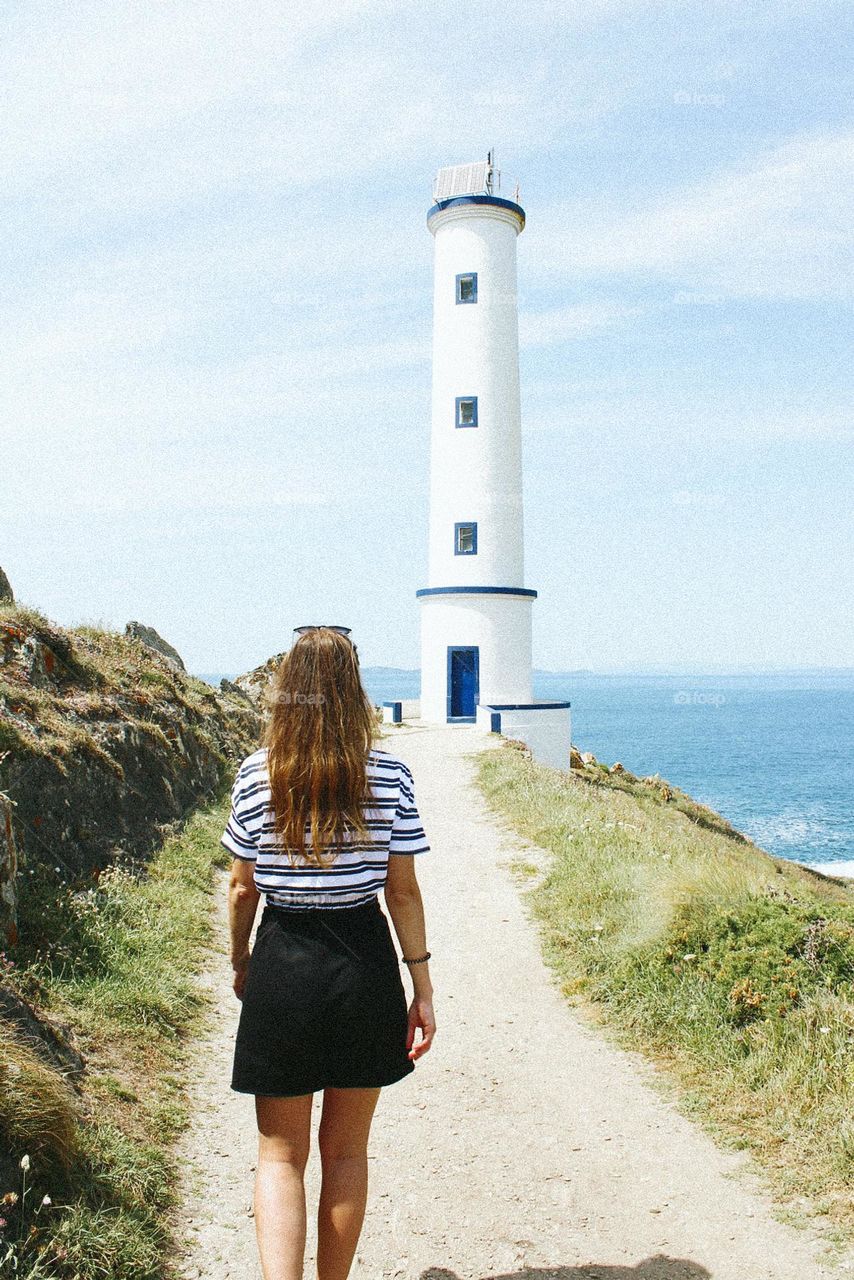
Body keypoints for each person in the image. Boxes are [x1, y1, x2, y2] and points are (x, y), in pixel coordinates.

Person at [223, 625, 435, 1280]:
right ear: (353, 693)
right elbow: (402, 894)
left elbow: (241, 889)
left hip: (284, 958)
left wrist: (241, 963)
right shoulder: (391, 775)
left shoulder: (259, 775)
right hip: (364, 965)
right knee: (345, 1154)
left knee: (279, 1155)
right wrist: (421, 986)